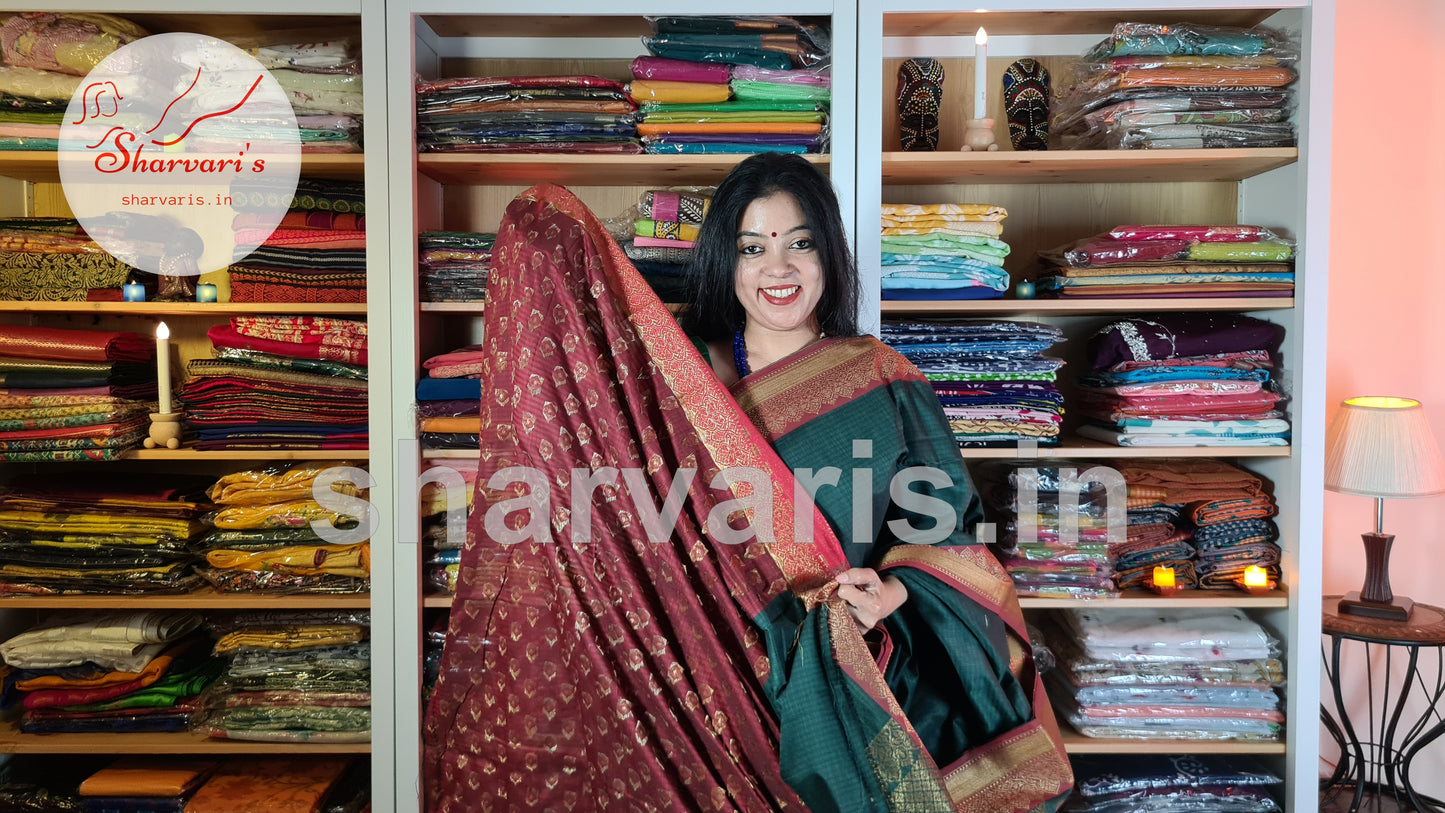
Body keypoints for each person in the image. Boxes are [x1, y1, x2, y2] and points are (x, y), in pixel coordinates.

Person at [424, 154, 1072, 812]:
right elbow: (597, 458)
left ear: (829, 254)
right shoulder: (678, 375)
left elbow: (946, 525)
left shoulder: (881, 379)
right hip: (701, 672)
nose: (778, 269)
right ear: (724, 260)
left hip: (851, 673)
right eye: (752, 247)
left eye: (800, 243)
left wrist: (893, 590)